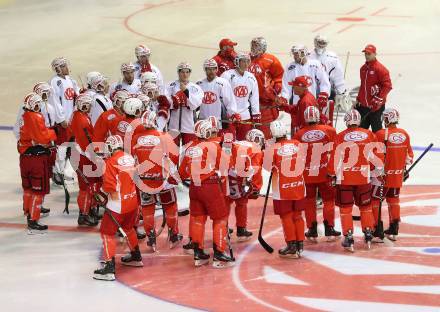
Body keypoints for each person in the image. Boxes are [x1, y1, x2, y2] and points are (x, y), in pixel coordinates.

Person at [174, 119, 234, 268]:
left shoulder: (190, 148)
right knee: (220, 218)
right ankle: (219, 253)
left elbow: (181, 173)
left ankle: (198, 253)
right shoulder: (213, 145)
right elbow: (227, 165)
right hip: (210, 187)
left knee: (197, 219)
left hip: (194, 188)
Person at [93, 135, 143, 281]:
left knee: (107, 233)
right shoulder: (129, 157)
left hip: (117, 205)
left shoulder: (110, 162)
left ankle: (109, 267)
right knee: (129, 229)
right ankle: (136, 255)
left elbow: (109, 186)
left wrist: (101, 194)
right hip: (132, 202)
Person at [131, 110, 181, 251]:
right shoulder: (164, 136)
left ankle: (151, 239)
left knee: (147, 209)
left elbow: (131, 157)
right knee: (170, 205)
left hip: (144, 180)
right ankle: (173, 235)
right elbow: (174, 157)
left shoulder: (135, 138)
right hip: (163, 179)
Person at [329, 109, 378, 252]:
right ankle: (368, 233)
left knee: (346, 210)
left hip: (345, 180)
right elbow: (376, 155)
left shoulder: (340, 136)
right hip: (363, 179)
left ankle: (349, 237)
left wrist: (331, 174)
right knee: (366, 208)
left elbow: (334, 158)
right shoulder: (369, 134)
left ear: (346, 121)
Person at [294, 106, 340, 241]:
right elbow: (337, 150)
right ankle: (329, 228)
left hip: (307, 174)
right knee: (328, 200)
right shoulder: (329, 130)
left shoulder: (299, 134)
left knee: (309, 202)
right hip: (325, 172)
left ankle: (312, 229)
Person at [263, 120, 306, 258]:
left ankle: (291, 245)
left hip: (282, 189)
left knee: (286, 216)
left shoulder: (272, 149)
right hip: (299, 185)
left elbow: (266, 167)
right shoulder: (298, 144)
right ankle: (300, 243)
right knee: (298, 215)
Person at [371, 108, 413, 241]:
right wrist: (402, 169)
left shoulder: (380, 134)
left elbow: (374, 156)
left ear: (387, 119)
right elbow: (409, 158)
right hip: (397, 176)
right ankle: (394, 229)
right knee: (393, 200)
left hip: (381, 176)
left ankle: (377, 230)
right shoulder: (404, 134)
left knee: (375, 201)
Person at [17, 93, 57, 234]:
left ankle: (28, 211)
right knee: (38, 191)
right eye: (37, 104)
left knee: (28, 188)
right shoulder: (36, 116)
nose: (39, 106)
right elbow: (44, 137)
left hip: (24, 158)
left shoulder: (24, 116)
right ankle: (33, 220)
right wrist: (53, 133)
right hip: (36, 159)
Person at [70, 94, 101, 226]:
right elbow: (86, 143)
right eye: (87, 105)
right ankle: (84, 214)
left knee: (91, 185)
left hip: (83, 157)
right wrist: (96, 158)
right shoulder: (81, 120)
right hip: (83, 158)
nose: (89, 107)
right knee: (86, 187)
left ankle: (90, 209)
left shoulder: (80, 116)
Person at [227, 128, 264, 240]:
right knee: (241, 202)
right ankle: (241, 229)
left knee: (225, 202)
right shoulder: (256, 149)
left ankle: (223, 226)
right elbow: (255, 170)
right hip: (236, 175)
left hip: (225, 173)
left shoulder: (239, 142)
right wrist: (255, 188)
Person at [49, 57, 80, 183]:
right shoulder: (55, 82)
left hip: (71, 121)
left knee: (69, 147)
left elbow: (76, 97)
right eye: (64, 66)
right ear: (59, 68)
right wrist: (61, 118)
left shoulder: (71, 80)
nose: (67, 68)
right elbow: (55, 101)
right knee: (61, 148)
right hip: (63, 123)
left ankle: (61, 172)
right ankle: (57, 173)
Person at [248, 37, 284, 138]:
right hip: (248, 102)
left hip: (266, 103)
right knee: (250, 130)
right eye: (253, 45)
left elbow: (279, 76)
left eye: (257, 46)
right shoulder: (246, 59)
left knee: (266, 130)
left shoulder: (271, 59)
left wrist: (277, 86)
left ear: (263, 47)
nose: (254, 48)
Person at [221, 53, 260, 140]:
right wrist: (231, 113)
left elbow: (254, 97)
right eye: (243, 61)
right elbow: (222, 97)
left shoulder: (251, 77)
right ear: (237, 62)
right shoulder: (227, 76)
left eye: (247, 61)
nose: (246, 64)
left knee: (244, 143)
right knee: (229, 143)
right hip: (230, 118)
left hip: (245, 116)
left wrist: (256, 114)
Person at [309, 35, 350, 115]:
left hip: (327, 92)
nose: (321, 45)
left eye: (323, 43)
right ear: (315, 42)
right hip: (311, 91)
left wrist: (342, 92)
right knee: (311, 115)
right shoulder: (308, 56)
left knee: (326, 116)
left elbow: (338, 77)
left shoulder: (332, 58)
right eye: (319, 42)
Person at [355, 44, 393, 132]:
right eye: (365, 54)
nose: (367, 56)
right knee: (361, 131)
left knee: (377, 131)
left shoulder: (381, 69)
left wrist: (379, 98)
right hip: (363, 106)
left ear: (375, 54)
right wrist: (358, 99)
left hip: (376, 107)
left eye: (369, 54)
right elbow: (363, 86)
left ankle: (378, 146)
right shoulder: (363, 69)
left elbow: (387, 86)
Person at [166, 62, 203, 147]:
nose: (185, 74)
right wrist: (174, 102)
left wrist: (186, 92)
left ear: (190, 73)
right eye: (182, 72)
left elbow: (195, 104)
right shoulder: (171, 86)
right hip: (173, 125)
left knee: (189, 151)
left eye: (187, 72)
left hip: (189, 125)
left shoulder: (196, 88)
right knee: (173, 151)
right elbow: (166, 101)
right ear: (178, 73)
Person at [196, 59, 237, 133]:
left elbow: (229, 100)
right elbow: (195, 103)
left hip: (219, 121)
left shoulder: (223, 82)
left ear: (216, 69)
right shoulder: (199, 84)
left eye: (213, 69)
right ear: (205, 70)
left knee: (217, 143)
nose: (211, 71)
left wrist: (233, 114)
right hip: (203, 121)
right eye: (209, 69)